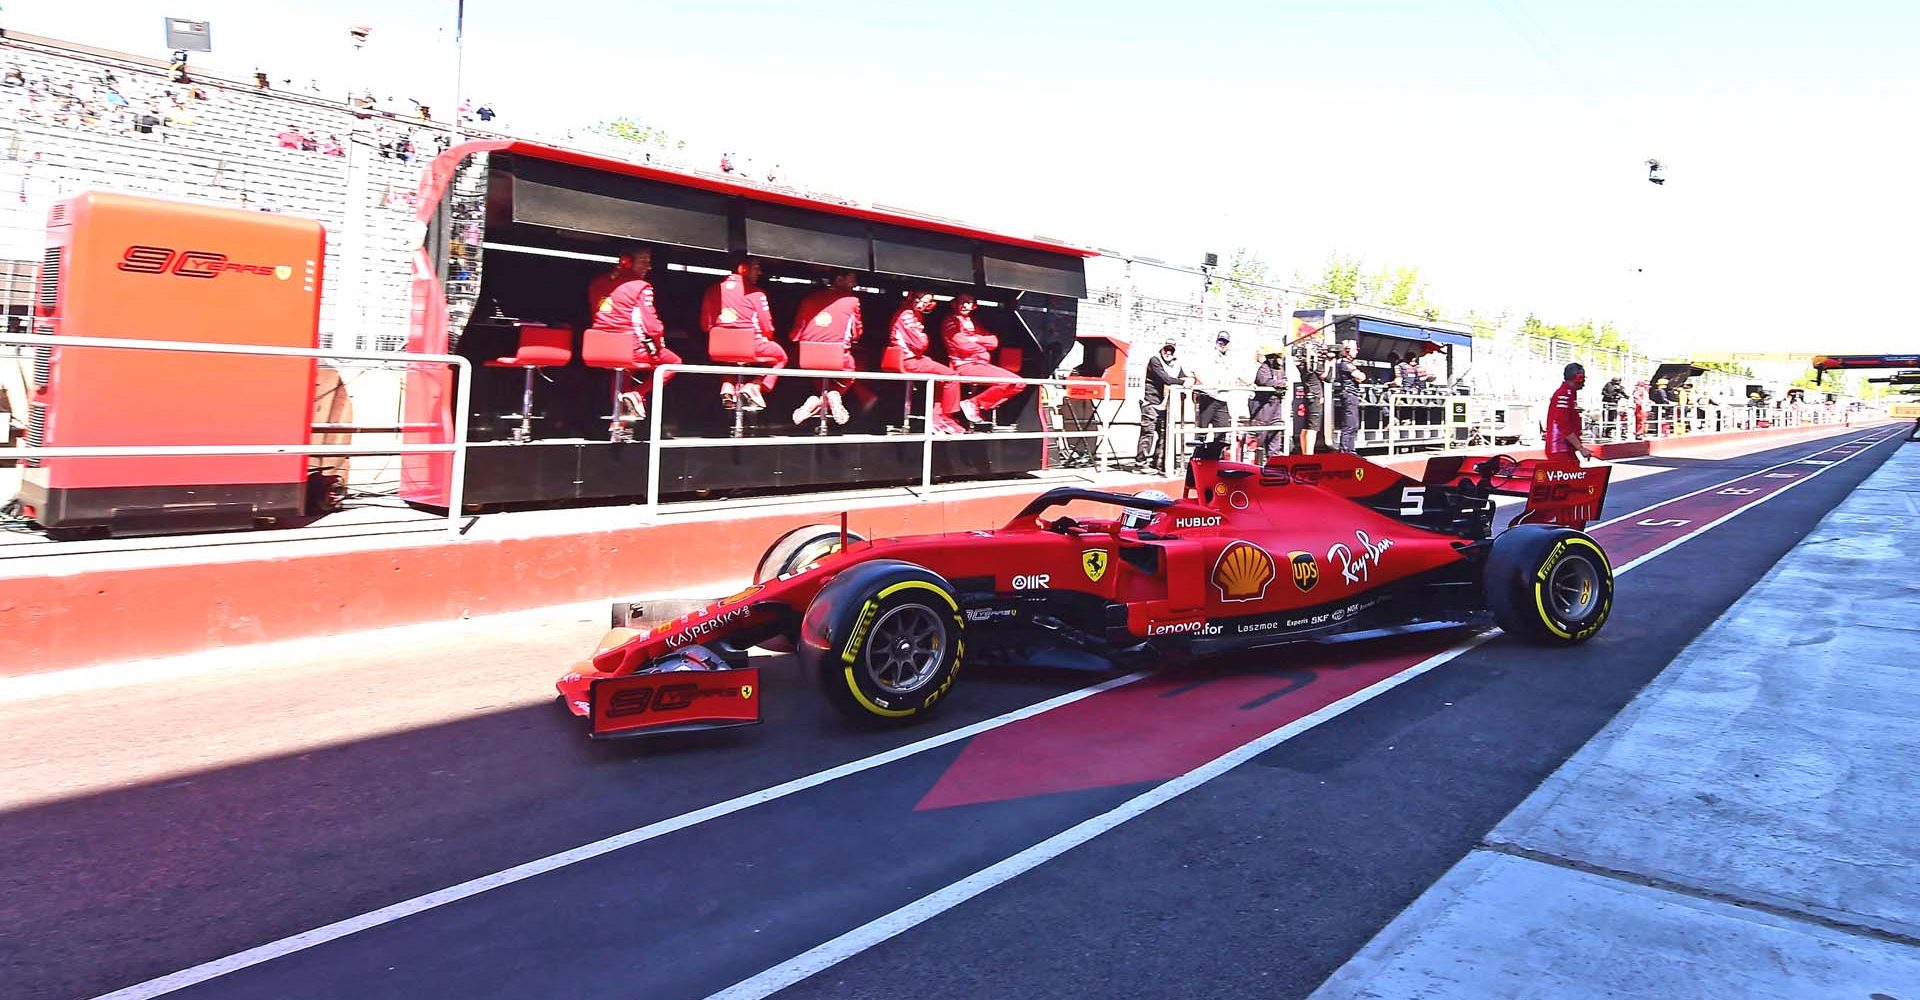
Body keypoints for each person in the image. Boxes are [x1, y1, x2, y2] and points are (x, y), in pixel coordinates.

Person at [584, 247, 681, 421]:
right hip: (630, 347)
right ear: (627, 262)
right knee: (674, 362)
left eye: (649, 262)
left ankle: (617, 423)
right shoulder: (641, 287)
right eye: (644, 261)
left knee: (622, 370)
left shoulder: (597, 283)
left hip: (598, 348)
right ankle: (637, 393)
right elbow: (652, 327)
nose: (648, 267)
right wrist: (658, 344)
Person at [700, 259, 786, 411]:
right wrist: (766, 338)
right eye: (756, 268)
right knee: (781, 357)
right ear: (743, 269)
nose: (759, 272)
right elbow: (767, 326)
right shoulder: (756, 293)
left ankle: (727, 387)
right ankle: (754, 386)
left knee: (731, 356)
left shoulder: (712, 290)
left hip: (718, 347)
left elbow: (705, 325)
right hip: (750, 345)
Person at [789, 270, 865, 426]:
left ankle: (817, 400)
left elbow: (796, 333)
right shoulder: (852, 301)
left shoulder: (808, 299)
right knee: (850, 372)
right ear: (839, 279)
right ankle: (832, 395)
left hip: (807, 358)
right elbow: (857, 332)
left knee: (820, 376)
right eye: (852, 280)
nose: (855, 284)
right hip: (837, 357)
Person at [890, 291, 967, 435]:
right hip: (908, 360)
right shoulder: (906, 314)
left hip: (914, 358)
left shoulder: (915, 314)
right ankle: (945, 417)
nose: (923, 304)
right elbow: (920, 343)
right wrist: (923, 337)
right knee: (952, 376)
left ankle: (937, 416)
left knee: (942, 377)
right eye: (921, 300)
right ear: (912, 298)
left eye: (927, 302)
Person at [942, 293, 1023, 430]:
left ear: (974, 305)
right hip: (963, 366)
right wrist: (981, 350)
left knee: (1019, 384)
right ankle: (973, 405)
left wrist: (975, 339)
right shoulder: (950, 321)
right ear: (955, 303)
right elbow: (961, 343)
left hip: (979, 364)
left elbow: (993, 341)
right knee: (1007, 381)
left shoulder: (973, 322)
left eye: (968, 302)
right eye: (962, 302)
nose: (965, 305)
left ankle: (975, 403)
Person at [1135, 336, 1193, 469]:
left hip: (1164, 403)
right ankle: (1140, 463)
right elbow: (1165, 379)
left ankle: (1158, 462)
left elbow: (1183, 375)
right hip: (1150, 401)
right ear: (1162, 348)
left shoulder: (1174, 363)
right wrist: (1184, 382)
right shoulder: (1155, 360)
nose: (1168, 353)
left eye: (1171, 351)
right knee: (1148, 432)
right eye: (1166, 349)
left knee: (1163, 433)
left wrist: (1190, 379)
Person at [1189, 331, 1237, 445]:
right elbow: (1195, 371)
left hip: (1223, 399)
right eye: (1220, 341)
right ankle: (1198, 460)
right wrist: (1207, 385)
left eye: (1225, 342)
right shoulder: (1207, 355)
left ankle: (1217, 460)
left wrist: (1248, 384)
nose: (1222, 344)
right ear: (1216, 342)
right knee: (1202, 431)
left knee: (1221, 432)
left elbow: (1237, 375)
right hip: (1208, 397)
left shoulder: (1230, 359)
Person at [1291, 325, 1332, 455]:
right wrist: (1329, 362)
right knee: (1312, 428)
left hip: (1307, 393)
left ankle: (1305, 453)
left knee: (1305, 426)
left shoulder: (1300, 363)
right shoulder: (1314, 364)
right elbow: (1328, 377)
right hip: (1315, 396)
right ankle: (1309, 455)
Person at [1546, 362, 1596, 462]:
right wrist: (1580, 448)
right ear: (1578, 378)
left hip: (1565, 448)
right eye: (1583, 378)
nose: (1584, 382)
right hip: (1559, 447)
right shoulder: (1564, 394)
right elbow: (1563, 424)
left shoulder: (1569, 393)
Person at [1249, 344, 1289, 459]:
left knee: (1275, 433)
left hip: (1276, 407)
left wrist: (1283, 384)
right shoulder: (1264, 368)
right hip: (1263, 407)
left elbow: (1285, 380)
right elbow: (1264, 381)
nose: (1280, 359)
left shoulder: (1280, 369)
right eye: (1277, 356)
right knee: (1260, 436)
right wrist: (1280, 384)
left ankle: (1274, 463)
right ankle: (1255, 462)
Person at [1332, 340, 1368, 453]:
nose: (1357, 351)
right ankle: (1345, 451)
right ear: (1347, 350)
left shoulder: (1348, 363)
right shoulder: (1345, 363)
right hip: (1349, 394)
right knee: (1349, 425)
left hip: (1352, 395)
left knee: (1354, 425)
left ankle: (1351, 450)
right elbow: (1361, 377)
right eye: (1354, 349)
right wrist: (1359, 375)